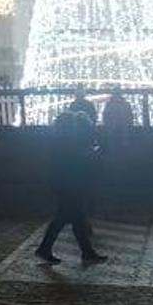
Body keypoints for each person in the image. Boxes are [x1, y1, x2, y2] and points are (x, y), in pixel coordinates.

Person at [35, 112, 107, 265]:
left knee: (74, 218)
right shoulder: (65, 141)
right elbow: (74, 161)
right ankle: (47, 248)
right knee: (67, 218)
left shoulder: (59, 140)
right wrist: (90, 155)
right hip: (70, 184)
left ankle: (85, 252)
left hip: (65, 183)